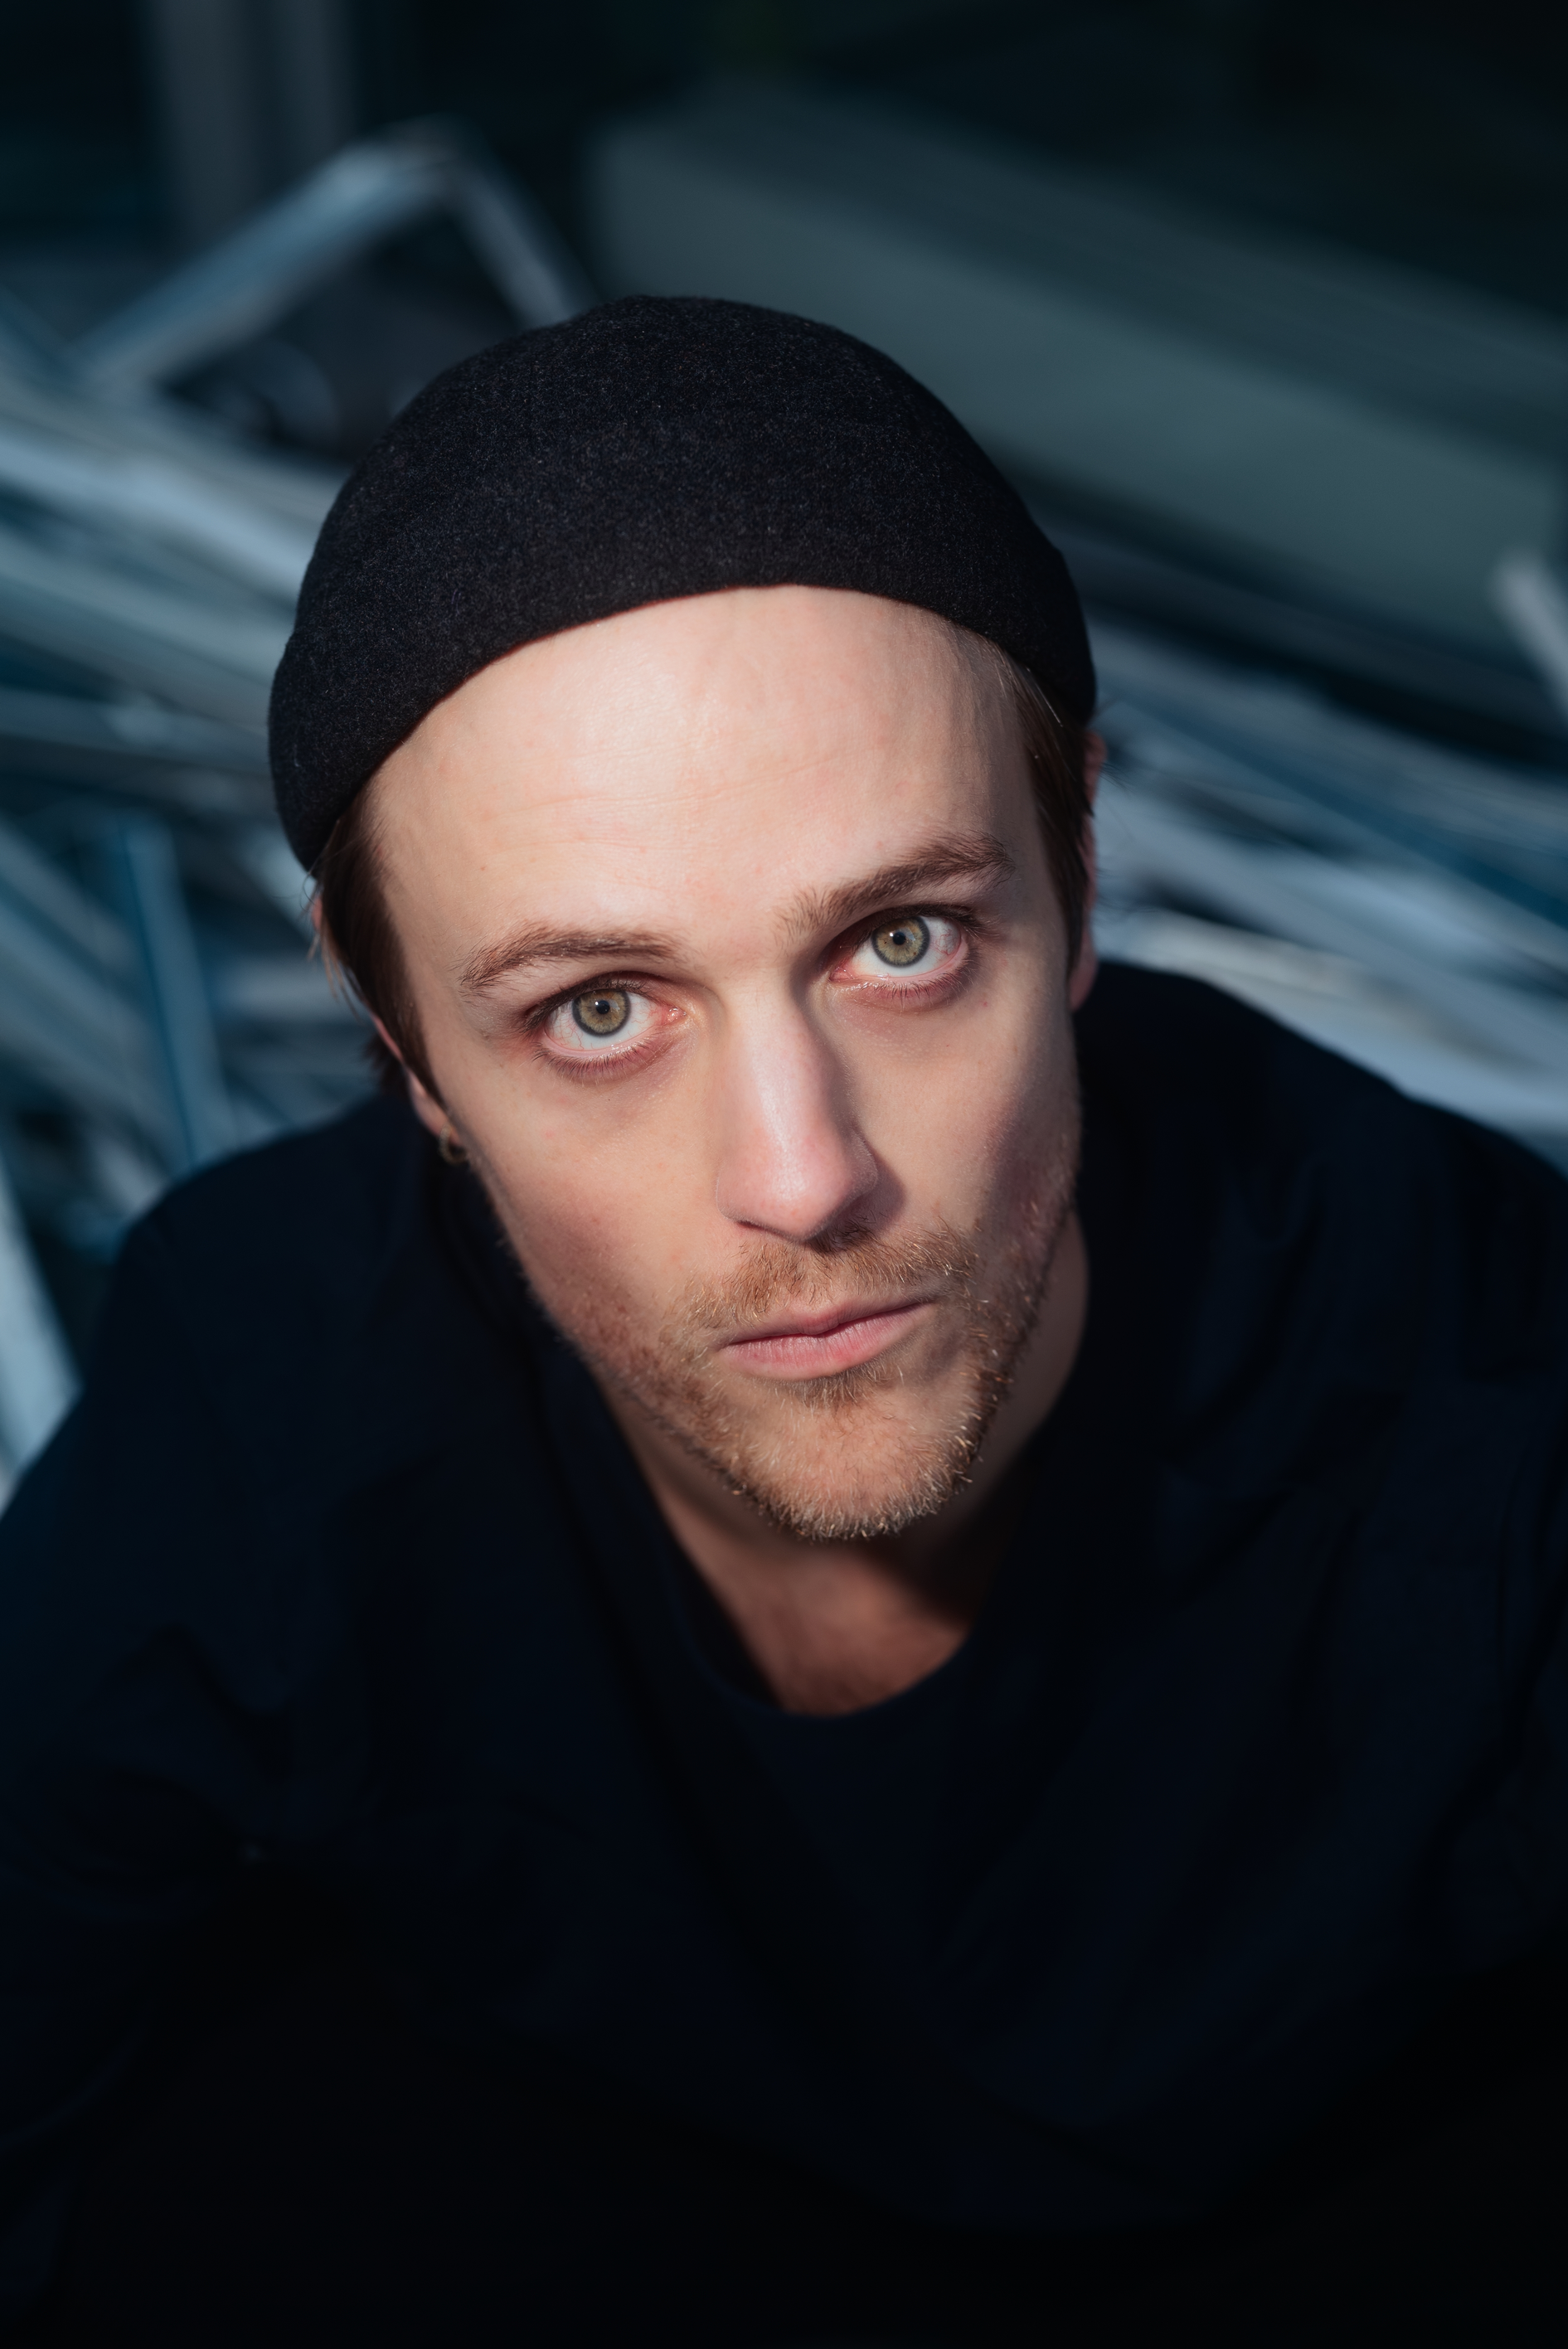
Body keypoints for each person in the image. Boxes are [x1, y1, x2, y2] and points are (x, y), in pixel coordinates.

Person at [2, 296, 1567, 2349]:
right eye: (598, 1010)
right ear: (400, 1042)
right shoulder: (266, 1383)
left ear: (1077, 889)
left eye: (901, 943)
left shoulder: (1472, 1370)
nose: (804, 1176)